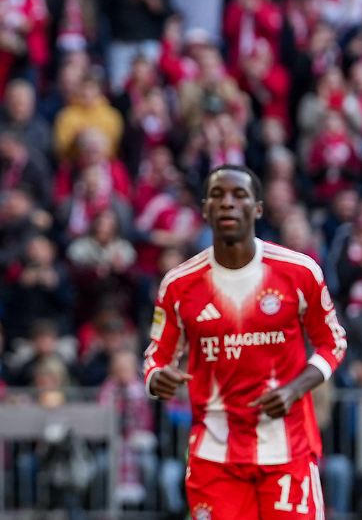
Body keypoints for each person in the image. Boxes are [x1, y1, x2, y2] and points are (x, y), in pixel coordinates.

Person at [143, 164, 348, 519]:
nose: (228, 204)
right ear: (206, 208)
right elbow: (155, 357)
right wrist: (156, 376)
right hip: (214, 455)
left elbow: (334, 342)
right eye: (218, 196)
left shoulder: (299, 272)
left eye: (239, 195)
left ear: (257, 208)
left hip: (288, 449)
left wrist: (295, 388)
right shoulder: (179, 284)